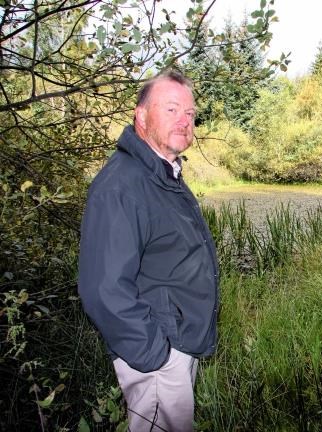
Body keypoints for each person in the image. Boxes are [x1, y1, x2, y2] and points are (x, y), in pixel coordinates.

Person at [78, 69, 219, 431]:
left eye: (190, 113)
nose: (184, 121)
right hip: (157, 354)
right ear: (141, 116)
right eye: (171, 109)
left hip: (176, 341)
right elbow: (103, 289)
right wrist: (157, 356)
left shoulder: (161, 174)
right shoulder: (122, 185)